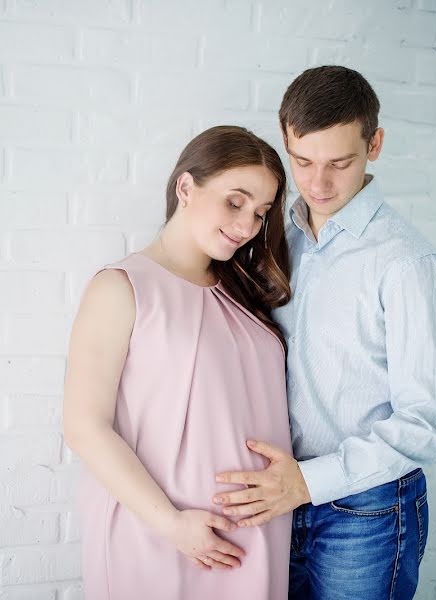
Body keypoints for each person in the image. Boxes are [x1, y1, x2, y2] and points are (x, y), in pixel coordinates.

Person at [211, 66, 436, 599]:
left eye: (339, 163)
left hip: (367, 512)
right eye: (302, 162)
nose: (318, 184)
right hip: (280, 502)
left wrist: (308, 482)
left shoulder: (408, 264)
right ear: (285, 141)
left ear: (375, 144)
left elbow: (425, 424)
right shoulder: (276, 238)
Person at [63, 125, 294, 600]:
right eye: (235, 202)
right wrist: (172, 524)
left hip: (256, 533)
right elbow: (84, 425)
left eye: (261, 212)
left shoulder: (244, 294)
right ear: (186, 187)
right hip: (163, 531)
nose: (248, 226)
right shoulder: (122, 286)